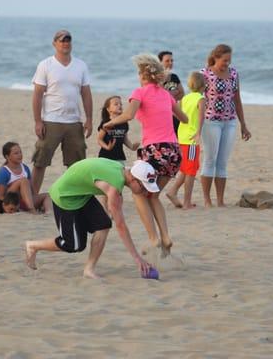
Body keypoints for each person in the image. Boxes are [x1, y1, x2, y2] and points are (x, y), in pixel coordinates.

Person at [103, 54, 188, 255]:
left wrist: (110, 123)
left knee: (138, 192)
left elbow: (129, 115)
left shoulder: (139, 92)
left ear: (143, 74)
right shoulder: (166, 95)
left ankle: (153, 238)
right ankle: (165, 236)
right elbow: (183, 118)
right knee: (154, 195)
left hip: (154, 152)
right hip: (174, 152)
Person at [23, 158, 155, 279]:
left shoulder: (121, 169)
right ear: (133, 179)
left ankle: (89, 269)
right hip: (64, 196)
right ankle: (33, 246)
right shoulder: (113, 187)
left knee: (103, 225)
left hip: (81, 194)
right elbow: (121, 226)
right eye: (143, 187)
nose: (145, 192)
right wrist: (138, 259)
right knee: (74, 245)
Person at [31, 29, 93, 194]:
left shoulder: (80, 65)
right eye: (62, 40)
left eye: (68, 40)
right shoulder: (45, 65)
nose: (65, 43)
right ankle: (31, 196)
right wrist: (38, 121)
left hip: (74, 122)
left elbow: (86, 93)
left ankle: (74, 195)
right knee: (40, 161)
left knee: (77, 164)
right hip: (51, 121)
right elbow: (37, 94)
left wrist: (89, 119)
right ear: (54, 43)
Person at [200, 44, 251, 208]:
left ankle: (220, 200)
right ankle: (207, 200)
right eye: (224, 60)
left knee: (222, 162)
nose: (227, 64)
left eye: (229, 61)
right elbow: (197, 100)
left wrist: (243, 124)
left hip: (229, 121)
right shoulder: (205, 74)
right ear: (215, 57)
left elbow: (237, 99)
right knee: (209, 160)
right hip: (210, 121)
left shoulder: (234, 73)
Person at [166, 72, 206, 209]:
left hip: (182, 137)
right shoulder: (201, 98)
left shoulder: (184, 98)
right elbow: (201, 117)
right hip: (191, 140)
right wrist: (198, 133)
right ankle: (187, 202)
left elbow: (176, 115)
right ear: (203, 85)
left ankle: (172, 191)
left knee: (186, 168)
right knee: (191, 171)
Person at [0, 142, 52, 214]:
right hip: (13, 203)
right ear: (7, 157)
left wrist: (39, 202)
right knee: (24, 181)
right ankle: (32, 210)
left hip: (27, 201)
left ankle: (49, 213)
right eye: (16, 153)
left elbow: (32, 191)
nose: (20, 155)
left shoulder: (25, 168)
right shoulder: (3, 172)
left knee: (47, 196)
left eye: (20, 152)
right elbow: (0, 197)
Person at [97, 95, 139, 165]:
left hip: (120, 156)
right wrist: (107, 147)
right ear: (108, 109)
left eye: (121, 104)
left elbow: (125, 139)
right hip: (105, 156)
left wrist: (132, 147)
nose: (119, 105)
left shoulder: (124, 123)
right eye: (116, 104)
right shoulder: (106, 123)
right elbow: (99, 139)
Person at [158, 51, 185, 133]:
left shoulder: (174, 77)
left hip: (175, 112)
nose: (170, 63)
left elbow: (182, 94)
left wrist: (168, 95)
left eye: (172, 60)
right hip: (161, 114)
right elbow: (159, 95)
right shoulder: (157, 78)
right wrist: (175, 91)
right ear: (160, 62)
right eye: (167, 61)